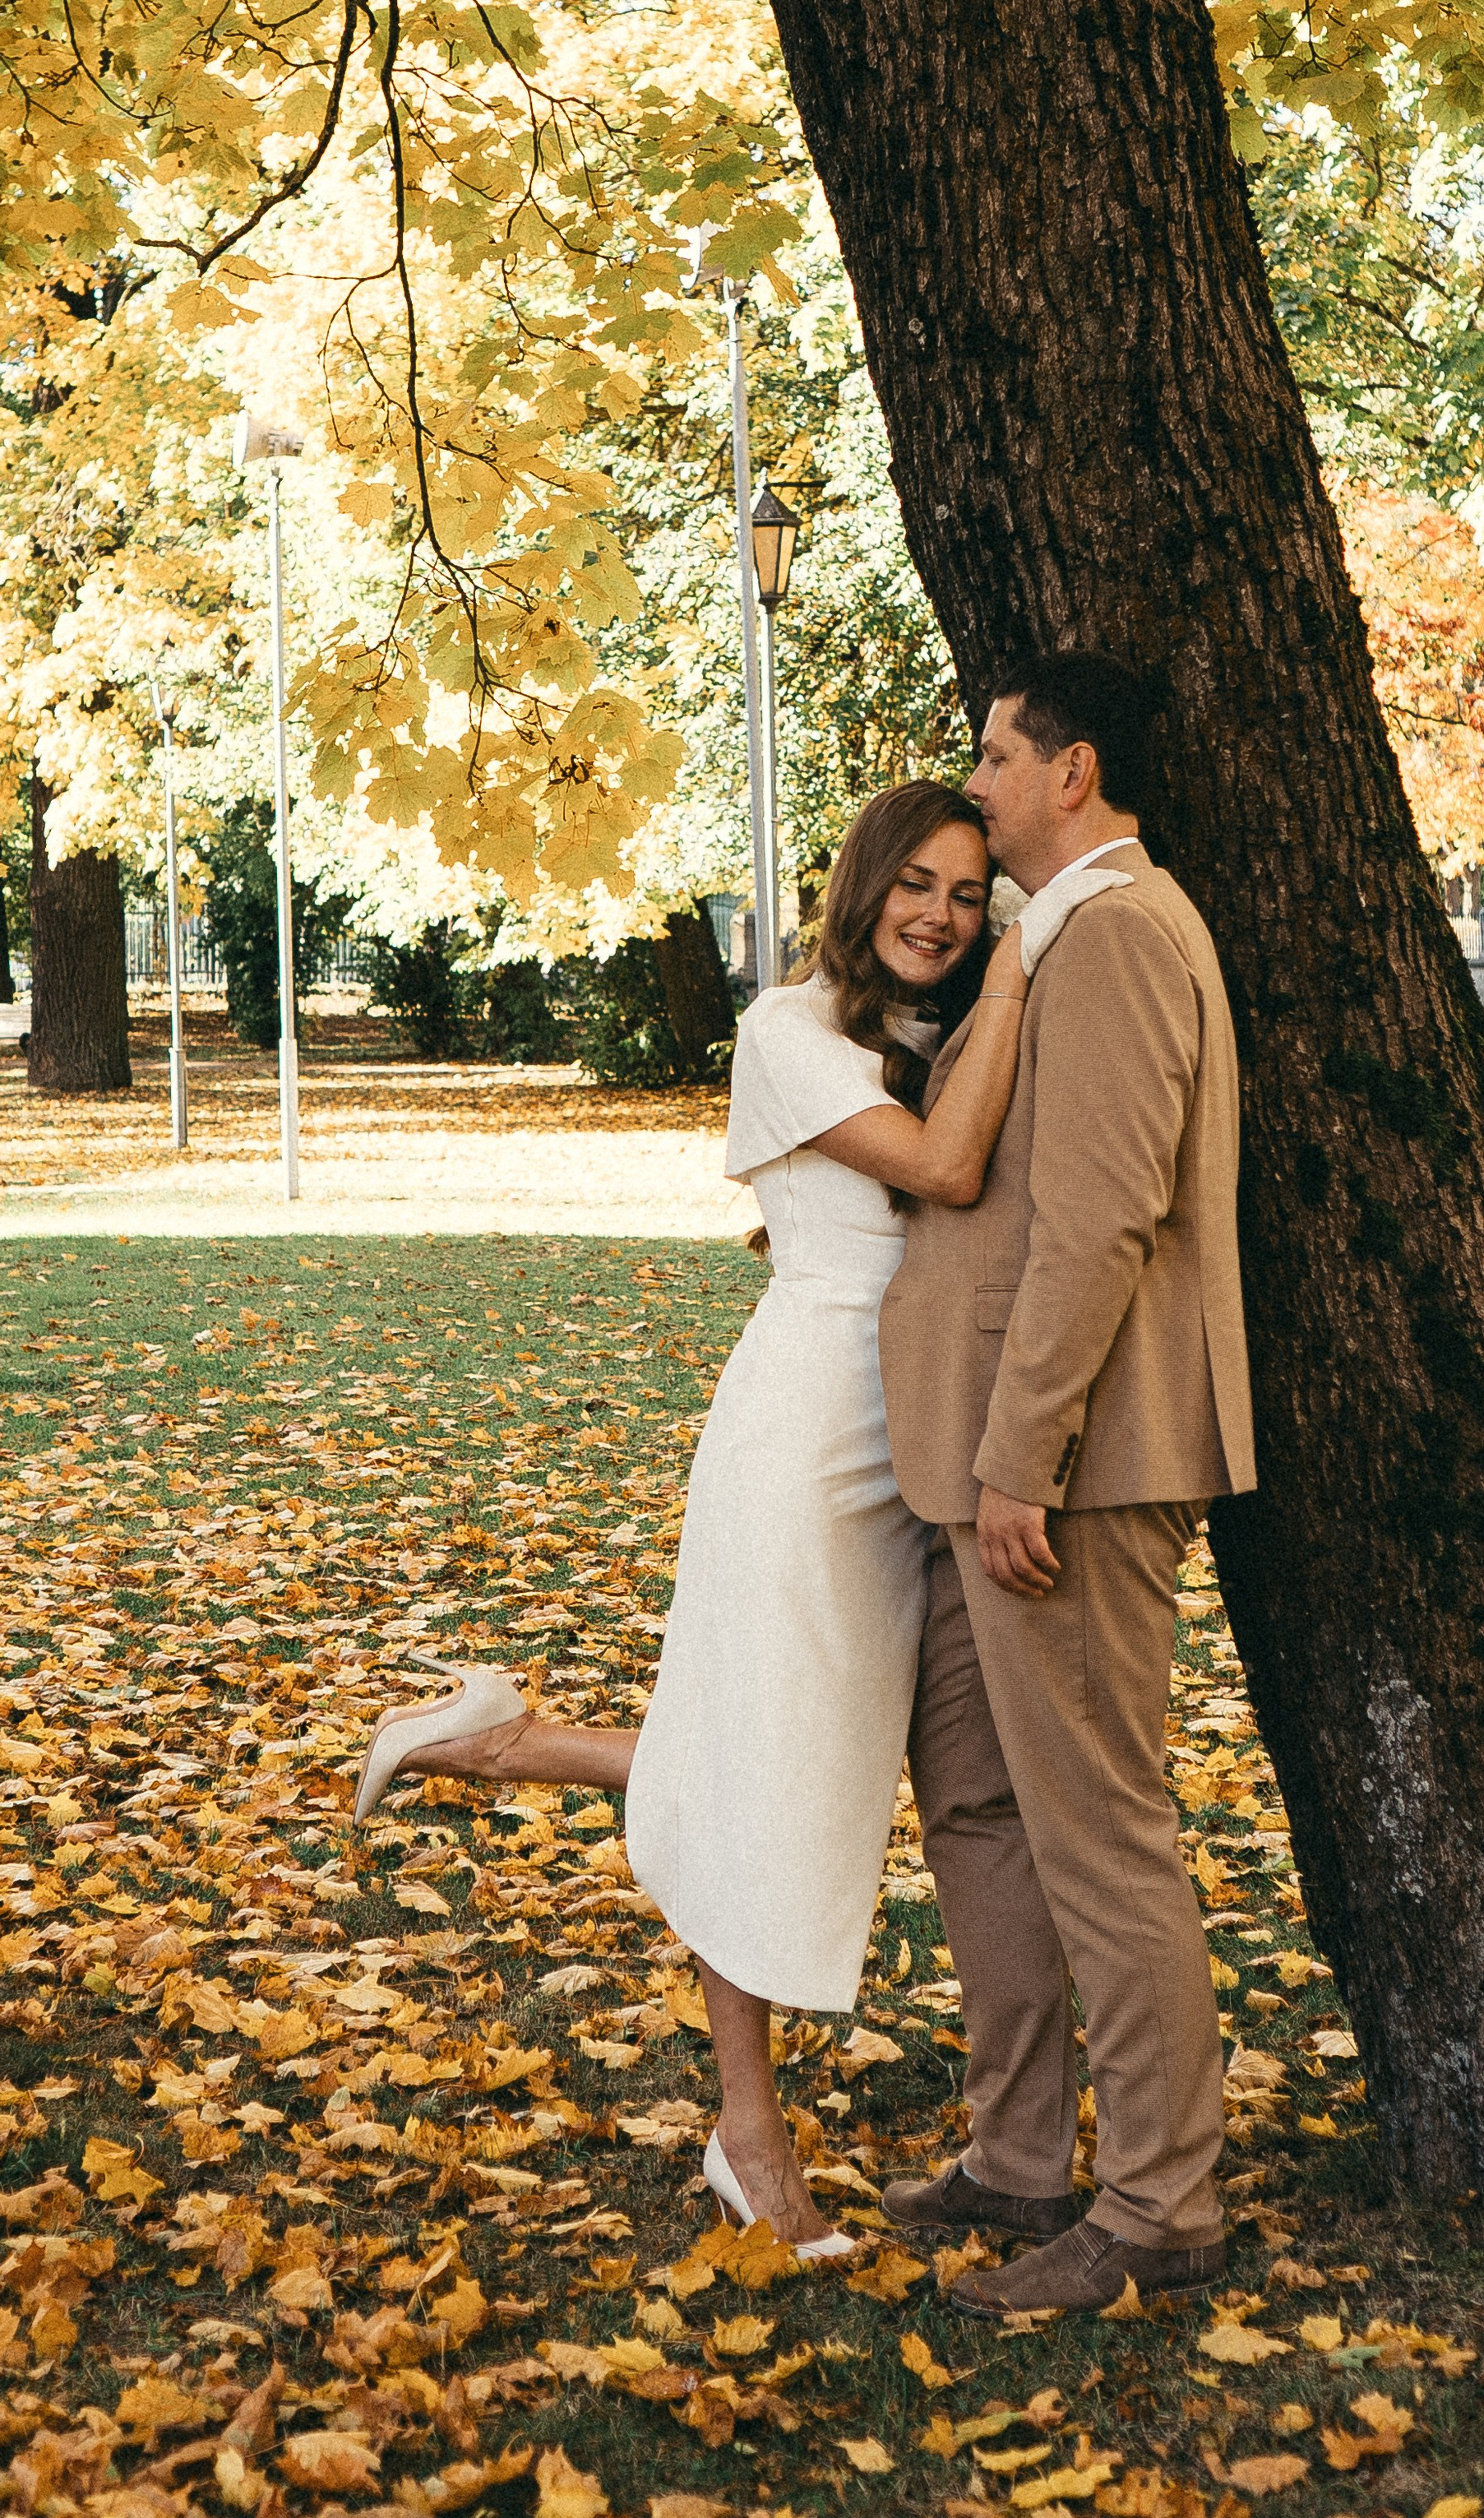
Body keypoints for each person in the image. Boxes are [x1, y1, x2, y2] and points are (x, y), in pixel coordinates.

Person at [350, 781, 1122, 2252]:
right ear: (862, 881)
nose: (943, 916)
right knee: (769, 1770)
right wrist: (1029, 944)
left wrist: (1023, 937)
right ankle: (750, 2139)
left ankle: (490, 1744)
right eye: (918, 884)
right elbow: (949, 1170)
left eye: (971, 894)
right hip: (803, 1435)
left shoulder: (935, 1031)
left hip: (922, 1438)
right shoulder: (785, 1032)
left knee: (805, 1764)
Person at [876, 654, 1257, 2316]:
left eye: (992, 763)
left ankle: (1162, 2205)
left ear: (1073, 771)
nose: (973, 791)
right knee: (981, 1809)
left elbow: (1102, 1215)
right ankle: (1020, 2162)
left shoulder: (1115, 933)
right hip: (993, 1462)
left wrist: (1019, 1454)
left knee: (1100, 1831)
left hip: (1068, 1469)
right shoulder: (1068, 934)